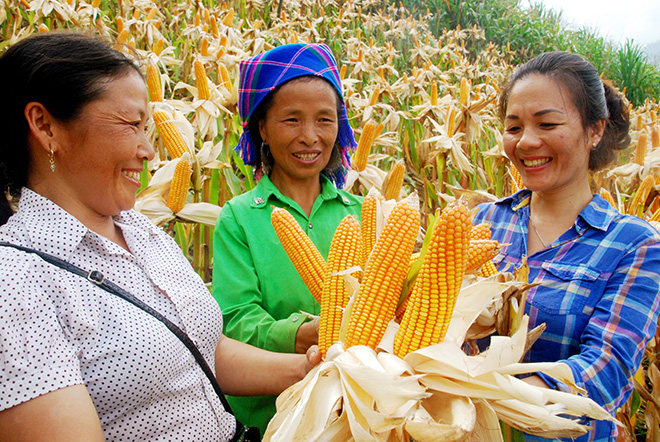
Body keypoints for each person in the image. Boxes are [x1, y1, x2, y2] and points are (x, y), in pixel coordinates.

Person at [0, 31, 320, 442]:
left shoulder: (141, 229)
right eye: (132, 125)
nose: (149, 150)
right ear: (45, 126)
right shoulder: (15, 282)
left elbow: (201, 349)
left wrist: (312, 368)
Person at [473, 51, 660, 441]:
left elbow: (606, 370)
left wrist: (488, 394)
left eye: (548, 124)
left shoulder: (635, 246)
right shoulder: (483, 222)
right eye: (513, 127)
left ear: (595, 131)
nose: (526, 142)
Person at [211, 42, 362, 434]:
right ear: (262, 126)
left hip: (356, 413)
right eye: (291, 120)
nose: (310, 137)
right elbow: (235, 320)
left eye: (324, 120)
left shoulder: (362, 212)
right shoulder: (239, 218)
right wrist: (300, 336)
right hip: (270, 420)